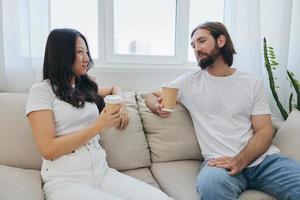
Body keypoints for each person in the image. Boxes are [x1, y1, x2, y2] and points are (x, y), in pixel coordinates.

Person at [145, 22, 300, 200]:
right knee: (211, 186)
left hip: (264, 161)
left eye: (202, 41)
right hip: (219, 164)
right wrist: (156, 107)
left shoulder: (251, 82)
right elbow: (151, 95)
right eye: (193, 45)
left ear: (221, 40)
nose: (196, 49)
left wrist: (240, 160)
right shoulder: (189, 82)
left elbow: (265, 130)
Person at [26, 28, 174, 200]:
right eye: (79, 52)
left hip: (102, 173)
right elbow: (48, 149)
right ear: (62, 54)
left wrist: (122, 105)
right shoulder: (42, 91)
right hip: (65, 181)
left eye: (87, 52)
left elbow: (113, 88)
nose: (86, 59)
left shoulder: (84, 87)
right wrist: (98, 126)